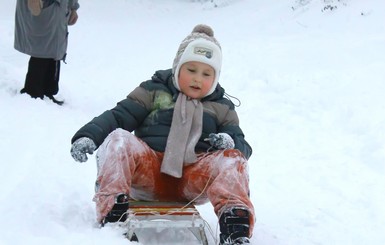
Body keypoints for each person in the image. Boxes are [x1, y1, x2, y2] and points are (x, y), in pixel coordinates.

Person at [70, 24, 255, 244]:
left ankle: (235, 229)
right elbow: (119, 116)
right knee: (119, 139)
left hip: (193, 180)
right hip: (150, 173)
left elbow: (242, 146)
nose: (197, 79)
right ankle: (113, 215)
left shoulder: (222, 107)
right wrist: (88, 135)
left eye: (206, 73)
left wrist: (229, 142)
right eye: (191, 70)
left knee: (232, 160)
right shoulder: (154, 91)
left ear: (215, 78)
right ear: (177, 67)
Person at [14, 0, 80, 105]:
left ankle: (47, 91)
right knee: (41, 50)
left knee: (54, 49)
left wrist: (73, 7)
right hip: (41, 7)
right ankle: (32, 94)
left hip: (59, 9)